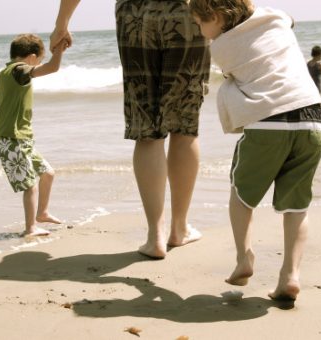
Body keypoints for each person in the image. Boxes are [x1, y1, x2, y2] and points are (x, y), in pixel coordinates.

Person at [50, 0, 210, 259]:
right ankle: (179, 228)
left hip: (134, 14)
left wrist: (62, 24)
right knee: (184, 126)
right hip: (186, 12)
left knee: (146, 128)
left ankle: (155, 236)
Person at [189, 0, 321, 300]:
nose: (200, 32)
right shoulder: (276, 17)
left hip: (268, 125)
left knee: (241, 195)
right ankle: (290, 276)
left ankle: (244, 258)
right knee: (297, 206)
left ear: (214, 16)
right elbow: (290, 19)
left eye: (200, 23)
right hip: (313, 122)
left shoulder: (221, 48)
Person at [0, 34, 66, 236]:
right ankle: (30, 228)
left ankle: (42, 213)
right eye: (40, 60)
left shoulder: (3, 73)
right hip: (12, 138)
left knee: (47, 173)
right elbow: (53, 68)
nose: (39, 64)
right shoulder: (19, 70)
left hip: (20, 137)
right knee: (30, 184)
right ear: (33, 57)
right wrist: (59, 49)